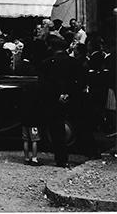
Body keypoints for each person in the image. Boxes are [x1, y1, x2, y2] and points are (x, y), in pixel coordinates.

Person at [39, 36, 85, 167]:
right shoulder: (74, 62)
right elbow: (80, 81)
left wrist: (57, 95)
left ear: (51, 48)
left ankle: (60, 158)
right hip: (72, 99)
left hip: (53, 100)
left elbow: (45, 84)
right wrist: (69, 94)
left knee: (56, 128)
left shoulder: (46, 63)